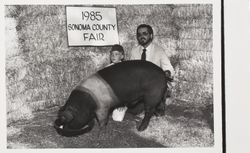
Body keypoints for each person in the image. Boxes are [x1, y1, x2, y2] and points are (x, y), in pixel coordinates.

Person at [129, 24, 174, 116]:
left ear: (151, 35)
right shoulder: (134, 51)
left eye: (145, 33)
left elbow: (169, 69)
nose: (141, 36)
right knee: (133, 111)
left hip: (154, 85)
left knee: (158, 112)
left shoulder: (159, 51)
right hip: (139, 86)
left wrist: (166, 73)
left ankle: (160, 101)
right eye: (139, 34)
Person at [107, 44, 128, 122]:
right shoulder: (107, 68)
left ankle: (125, 107)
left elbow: (127, 88)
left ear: (122, 56)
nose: (113, 56)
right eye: (112, 54)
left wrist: (123, 103)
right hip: (110, 98)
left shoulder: (125, 69)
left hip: (121, 99)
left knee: (117, 118)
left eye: (116, 54)